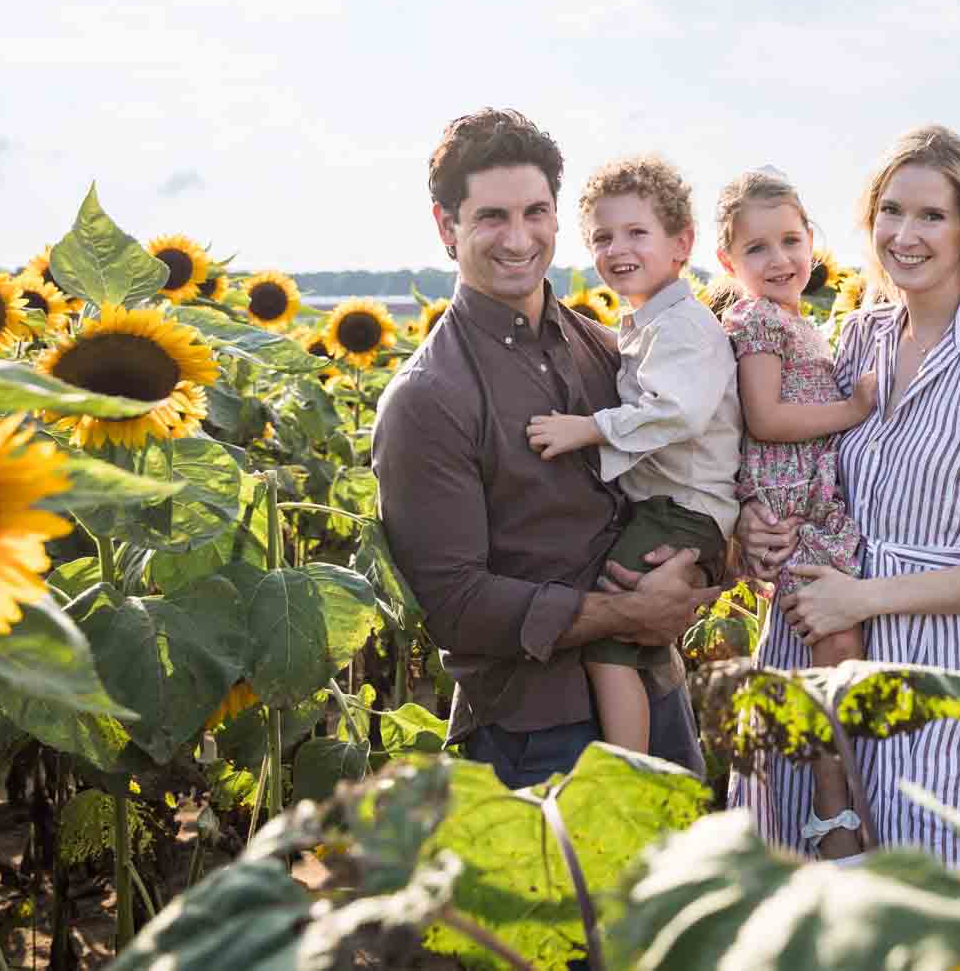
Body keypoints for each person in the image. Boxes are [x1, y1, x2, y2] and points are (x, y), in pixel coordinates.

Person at [734, 125, 960, 861]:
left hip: (928, 666)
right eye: (890, 211)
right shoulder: (857, 335)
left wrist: (866, 598)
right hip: (809, 641)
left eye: (931, 216)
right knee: (802, 910)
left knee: (925, 901)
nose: (904, 235)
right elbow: (784, 451)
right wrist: (751, 521)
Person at [372, 110, 724, 789]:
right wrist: (626, 611)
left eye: (536, 212)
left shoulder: (609, 346)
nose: (519, 238)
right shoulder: (427, 398)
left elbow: (685, 471)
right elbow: (457, 602)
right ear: (447, 227)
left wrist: (708, 561)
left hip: (659, 695)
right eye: (492, 217)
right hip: (534, 731)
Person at [526, 155, 741, 755]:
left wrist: (586, 429)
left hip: (683, 510)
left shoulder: (684, 328)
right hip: (674, 508)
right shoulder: (646, 324)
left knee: (608, 640)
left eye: (636, 233)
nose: (617, 248)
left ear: (681, 244)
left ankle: (628, 768)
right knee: (636, 635)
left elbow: (679, 412)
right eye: (602, 236)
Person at [713, 166, 881, 858]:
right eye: (757, 249)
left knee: (839, 640)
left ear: (813, 240)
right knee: (835, 640)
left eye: (790, 239)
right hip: (790, 505)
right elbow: (766, 416)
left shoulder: (797, 320)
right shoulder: (755, 320)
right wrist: (854, 408)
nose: (778, 259)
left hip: (810, 500)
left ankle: (834, 790)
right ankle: (830, 803)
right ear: (728, 262)